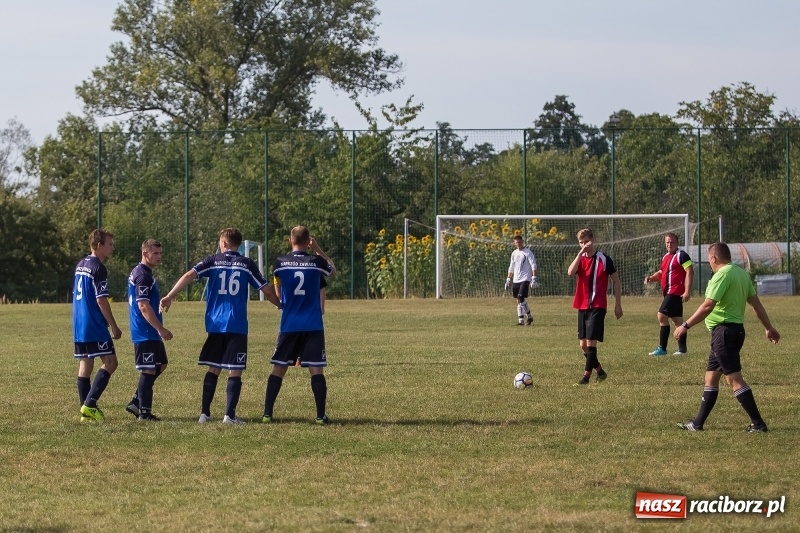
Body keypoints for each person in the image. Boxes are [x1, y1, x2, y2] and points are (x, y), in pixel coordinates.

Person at [160, 228, 281, 425]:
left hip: (215, 324)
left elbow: (190, 275)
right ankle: (229, 415)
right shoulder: (246, 264)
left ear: (223, 243)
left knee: (213, 367)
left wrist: (170, 295)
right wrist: (280, 304)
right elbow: (266, 291)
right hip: (236, 324)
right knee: (235, 370)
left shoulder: (213, 260)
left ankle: (204, 414)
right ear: (238, 245)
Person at [675, 242, 780, 433]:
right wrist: (768, 328)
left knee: (734, 380)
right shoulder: (741, 274)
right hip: (734, 331)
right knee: (711, 377)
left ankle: (758, 424)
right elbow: (756, 305)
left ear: (713, 258)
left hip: (723, 333)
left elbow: (708, 306)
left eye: (709, 259)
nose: (709, 263)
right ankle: (697, 423)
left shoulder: (722, 275)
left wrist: (685, 325)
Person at [262, 226, 335, 424]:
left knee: (279, 368)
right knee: (316, 370)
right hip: (313, 325)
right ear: (308, 241)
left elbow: (277, 283)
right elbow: (332, 271)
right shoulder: (316, 262)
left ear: (290, 240)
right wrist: (318, 249)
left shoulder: (280, 263)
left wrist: (279, 300)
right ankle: (320, 416)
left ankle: (267, 413)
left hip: (289, 324)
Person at [73, 229, 123, 422]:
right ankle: (90, 404)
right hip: (94, 324)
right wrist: (114, 326)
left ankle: (84, 412)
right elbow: (101, 300)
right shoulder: (98, 268)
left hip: (79, 324)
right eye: (109, 244)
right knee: (111, 363)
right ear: (99, 245)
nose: (112, 248)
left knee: (86, 364)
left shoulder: (81, 264)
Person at [567, 228, 623, 385]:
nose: (584, 245)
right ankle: (600, 371)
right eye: (581, 242)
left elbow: (616, 281)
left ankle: (586, 377)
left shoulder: (604, 259)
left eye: (586, 241)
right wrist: (580, 253)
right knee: (583, 345)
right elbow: (571, 272)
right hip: (582, 305)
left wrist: (618, 305)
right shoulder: (580, 259)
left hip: (598, 305)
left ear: (593, 240)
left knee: (591, 342)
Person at [126, 239, 173, 421]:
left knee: (161, 365)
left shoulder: (144, 272)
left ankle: (137, 401)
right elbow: (143, 306)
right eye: (155, 253)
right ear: (145, 254)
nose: (159, 257)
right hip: (145, 331)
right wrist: (160, 328)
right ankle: (144, 413)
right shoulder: (143, 275)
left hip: (149, 331)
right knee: (149, 370)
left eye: (160, 253)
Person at [644, 232, 694, 356]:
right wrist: (651, 278)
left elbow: (690, 272)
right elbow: (662, 272)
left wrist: (687, 290)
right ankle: (682, 350)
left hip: (675, 291)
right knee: (677, 320)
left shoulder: (682, 255)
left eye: (671, 242)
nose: (669, 244)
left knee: (661, 315)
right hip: (668, 293)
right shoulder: (666, 257)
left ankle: (662, 348)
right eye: (667, 242)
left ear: (677, 243)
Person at [504, 235, 539, 326]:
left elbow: (533, 265)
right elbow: (511, 267)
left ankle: (529, 316)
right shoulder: (514, 253)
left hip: (525, 278)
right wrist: (508, 278)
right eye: (516, 242)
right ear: (514, 243)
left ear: (522, 242)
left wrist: (534, 278)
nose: (518, 244)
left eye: (519, 242)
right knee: (518, 300)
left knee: (520, 297)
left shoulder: (527, 252)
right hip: (516, 279)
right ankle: (521, 320)